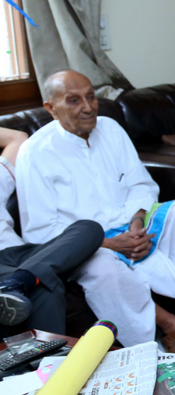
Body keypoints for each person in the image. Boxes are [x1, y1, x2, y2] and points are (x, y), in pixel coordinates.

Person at [17, 71, 175, 353]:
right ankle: (170, 325)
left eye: (91, 97)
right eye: (73, 101)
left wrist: (136, 222)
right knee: (103, 267)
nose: (87, 107)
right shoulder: (34, 153)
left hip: (133, 225)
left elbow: (139, 184)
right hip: (89, 245)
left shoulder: (110, 129)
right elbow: (41, 230)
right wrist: (106, 242)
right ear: (51, 108)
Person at [0, 127, 104, 333]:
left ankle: (18, 282)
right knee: (46, 286)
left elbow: (17, 137)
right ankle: (48, 364)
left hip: (24, 254)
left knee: (89, 228)